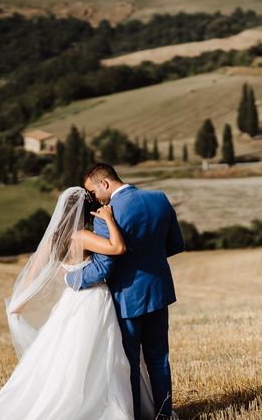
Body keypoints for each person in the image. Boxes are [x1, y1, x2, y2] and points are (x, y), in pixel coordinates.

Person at [0, 185, 156, 419]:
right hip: (93, 299)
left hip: (71, 300)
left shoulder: (54, 240)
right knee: (104, 353)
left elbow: (33, 272)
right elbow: (118, 247)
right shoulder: (82, 237)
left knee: (68, 352)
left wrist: (20, 301)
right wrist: (109, 220)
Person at [67, 163, 185, 420]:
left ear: (105, 184)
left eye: (93, 191)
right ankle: (164, 415)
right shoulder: (159, 199)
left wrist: (71, 278)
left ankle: (135, 415)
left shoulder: (105, 215)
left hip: (126, 296)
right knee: (159, 358)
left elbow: (103, 267)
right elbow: (176, 244)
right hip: (158, 290)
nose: (93, 198)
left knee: (129, 363)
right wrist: (148, 258)